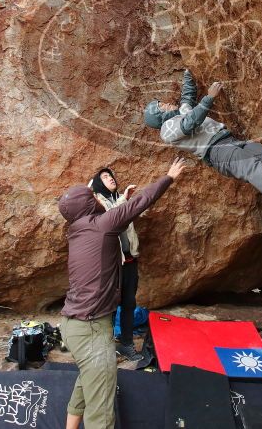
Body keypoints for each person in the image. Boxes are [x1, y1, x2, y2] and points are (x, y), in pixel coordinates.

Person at [59, 158, 186, 429]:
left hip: (72, 324)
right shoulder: (102, 225)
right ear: (87, 204)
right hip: (91, 328)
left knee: (87, 380)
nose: (96, 195)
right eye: (92, 194)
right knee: (101, 407)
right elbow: (140, 203)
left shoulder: (76, 230)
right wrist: (169, 177)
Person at [143, 69, 262, 216]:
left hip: (228, 140)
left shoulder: (182, 111)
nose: (166, 104)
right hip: (216, 151)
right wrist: (209, 98)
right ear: (159, 117)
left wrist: (188, 73)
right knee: (249, 166)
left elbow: (187, 96)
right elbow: (190, 123)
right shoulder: (167, 129)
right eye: (162, 107)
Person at [87, 167, 143, 363]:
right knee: (107, 306)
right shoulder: (96, 202)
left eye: (111, 175)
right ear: (96, 183)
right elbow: (111, 218)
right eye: (104, 177)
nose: (110, 178)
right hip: (110, 265)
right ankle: (104, 347)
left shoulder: (119, 198)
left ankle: (126, 344)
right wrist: (124, 200)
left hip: (129, 262)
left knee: (129, 304)